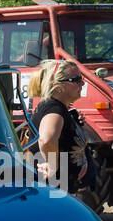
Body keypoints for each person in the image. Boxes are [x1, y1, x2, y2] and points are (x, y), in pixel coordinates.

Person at [27, 58, 90, 196]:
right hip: (53, 192)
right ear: (58, 86)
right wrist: (52, 166)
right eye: (76, 80)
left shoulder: (57, 109)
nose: (83, 83)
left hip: (58, 191)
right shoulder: (54, 109)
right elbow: (47, 140)